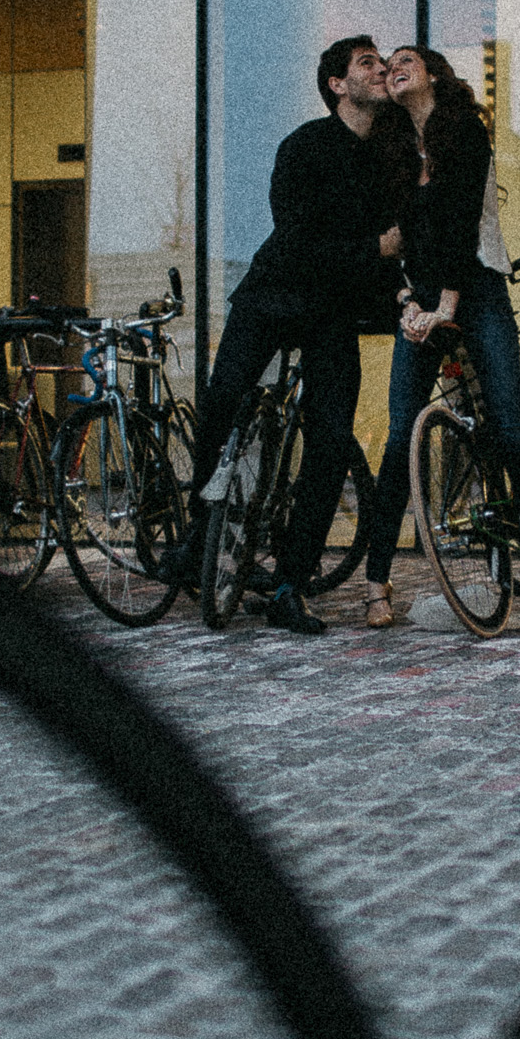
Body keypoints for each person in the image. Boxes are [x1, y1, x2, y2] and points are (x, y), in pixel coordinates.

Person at [170, 35, 401, 633]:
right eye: (366, 65)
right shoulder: (303, 146)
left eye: (382, 65)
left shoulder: (389, 155)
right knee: (223, 400)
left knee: (329, 443)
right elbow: (295, 234)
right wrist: (371, 248)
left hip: (333, 312)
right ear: (336, 84)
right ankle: (198, 536)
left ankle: (290, 585)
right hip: (272, 295)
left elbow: (403, 243)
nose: (379, 73)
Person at [362, 46, 520, 631]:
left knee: (508, 425)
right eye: (387, 63)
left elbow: (460, 226)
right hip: (420, 297)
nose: (394, 66)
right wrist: (405, 303)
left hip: (475, 288)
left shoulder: (465, 134)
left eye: (406, 59)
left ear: (432, 74)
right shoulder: (392, 148)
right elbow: (390, 240)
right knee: (402, 433)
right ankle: (377, 582)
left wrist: (445, 304)